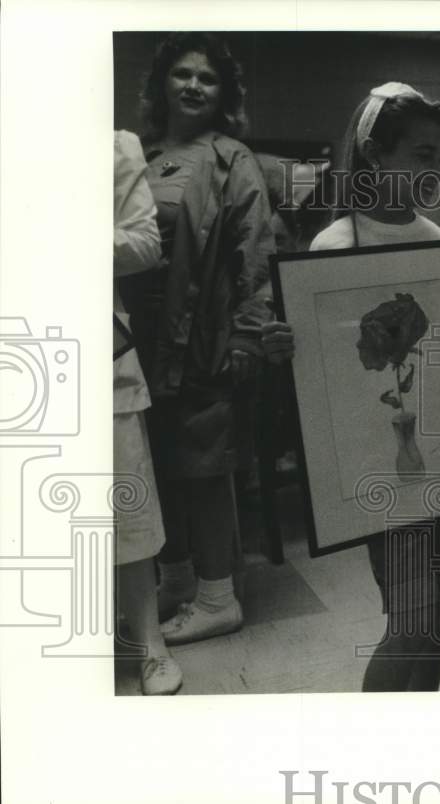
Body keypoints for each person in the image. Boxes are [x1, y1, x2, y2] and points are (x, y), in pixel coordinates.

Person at [261, 82, 440, 692]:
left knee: (437, 615)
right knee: (411, 621)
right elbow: (325, 376)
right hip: (380, 465)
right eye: (422, 155)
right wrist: (288, 348)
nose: (435, 170)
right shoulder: (331, 247)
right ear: (373, 152)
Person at [118, 32, 274, 646]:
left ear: (223, 94)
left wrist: (248, 334)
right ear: (161, 85)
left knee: (204, 467)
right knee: (155, 465)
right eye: (181, 75)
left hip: (204, 333)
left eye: (206, 79)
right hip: (138, 337)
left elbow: (255, 252)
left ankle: (218, 596)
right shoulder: (140, 154)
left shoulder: (233, 159)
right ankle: (178, 580)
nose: (192, 86)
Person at [113, 129, 183, 694]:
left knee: (124, 493)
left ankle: (148, 641)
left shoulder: (114, 145)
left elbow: (143, 244)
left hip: (95, 344)